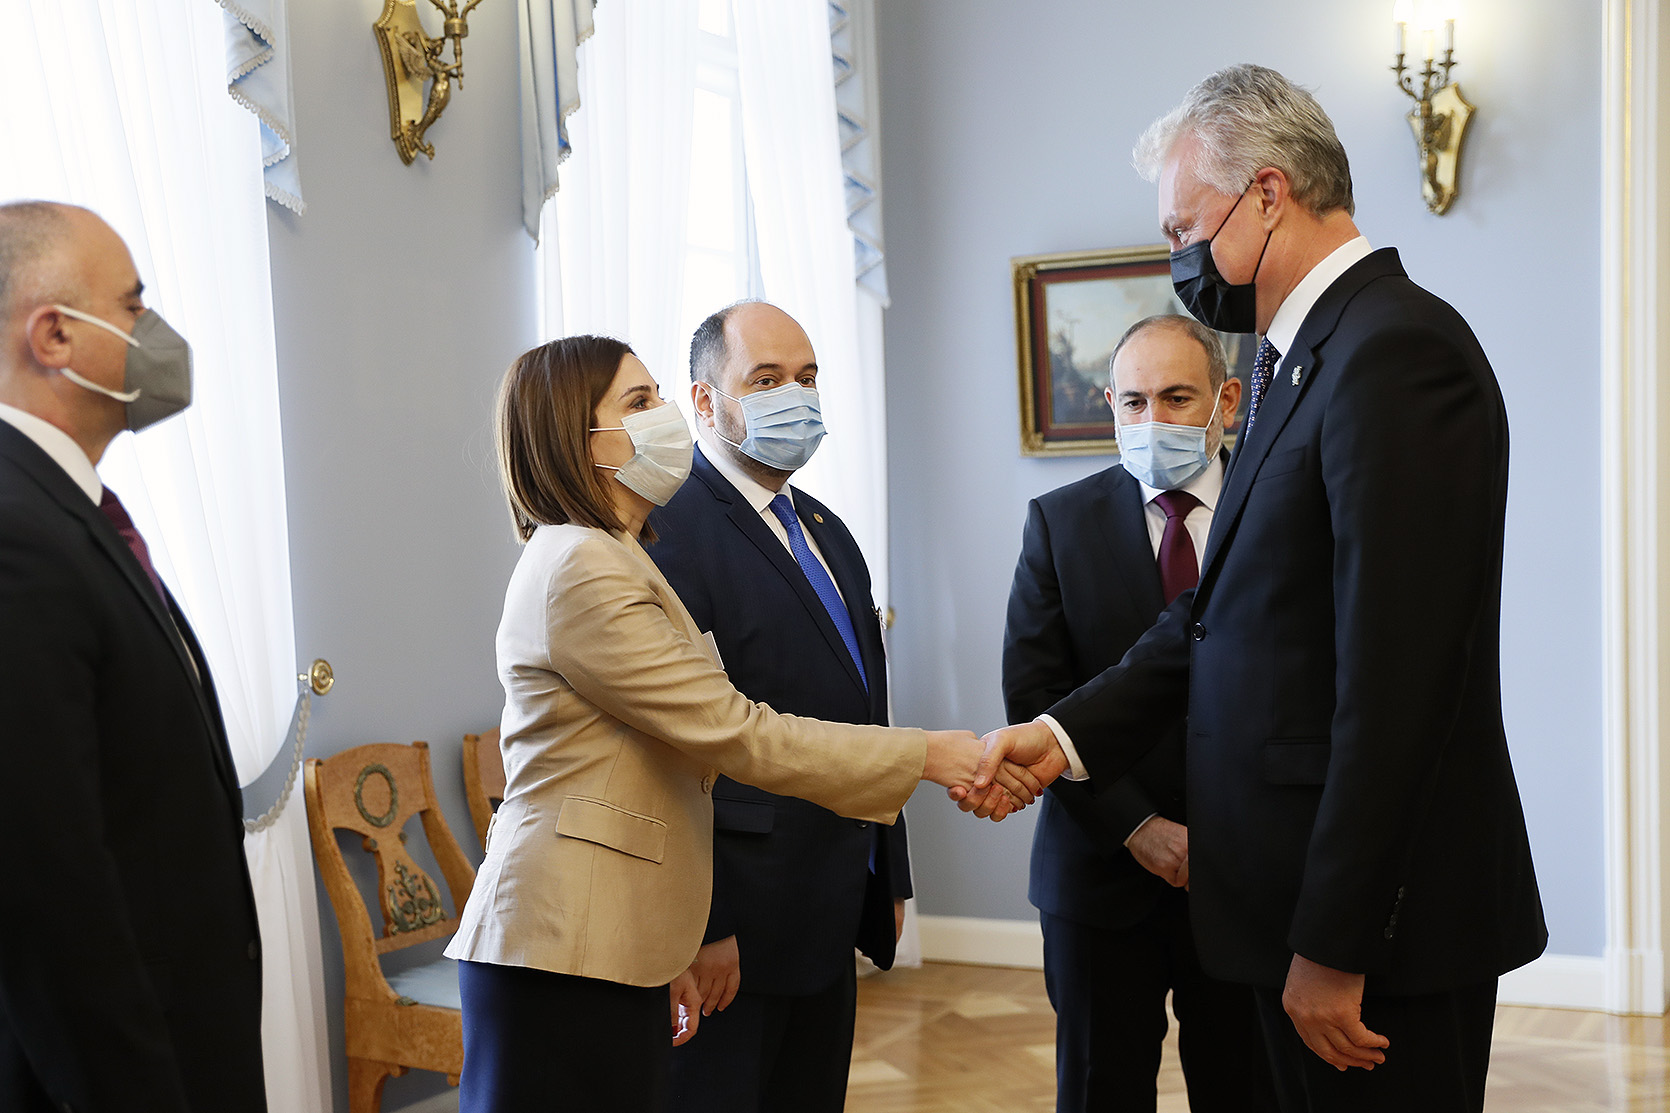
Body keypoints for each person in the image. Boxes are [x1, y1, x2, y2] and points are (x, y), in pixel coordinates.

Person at [971, 64, 1547, 1113]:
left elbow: (1399, 680)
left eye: (1184, 229)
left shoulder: (1395, 351)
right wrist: (1061, 737)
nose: (1178, 259)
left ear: (1268, 194)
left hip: (1372, 936)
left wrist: (1334, 941)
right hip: (1286, 908)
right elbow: (1216, 617)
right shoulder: (1300, 361)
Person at [445, 334, 1008, 1113]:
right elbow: (736, 731)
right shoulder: (582, 566)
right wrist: (925, 755)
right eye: (639, 401)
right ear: (579, 439)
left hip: (611, 933)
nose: (666, 414)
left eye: (656, 394)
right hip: (563, 940)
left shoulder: (616, 553)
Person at [0, 201, 265, 1112]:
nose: (153, 329)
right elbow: (47, 886)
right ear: (54, 335)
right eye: (133, 303)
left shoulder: (66, 509)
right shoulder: (16, 531)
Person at [1005, 313, 1274, 1113]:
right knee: (1101, 1090)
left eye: (1177, 397)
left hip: (1248, 874)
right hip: (1099, 875)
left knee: (1248, 1090)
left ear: (1227, 399)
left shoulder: (1278, 507)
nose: (1152, 418)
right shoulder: (1059, 521)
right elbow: (1036, 697)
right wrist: (1137, 826)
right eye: (1133, 401)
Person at [644, 301, 909, 1113]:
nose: (795, 396)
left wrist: (889, 873)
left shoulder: (828, 529)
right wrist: (705, 924)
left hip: (834, 899)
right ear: (704, 400)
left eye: (806, 377)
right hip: (735, 928)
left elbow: (867, 713)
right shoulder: (667, 533)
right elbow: (673, 749)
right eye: (765, 380)